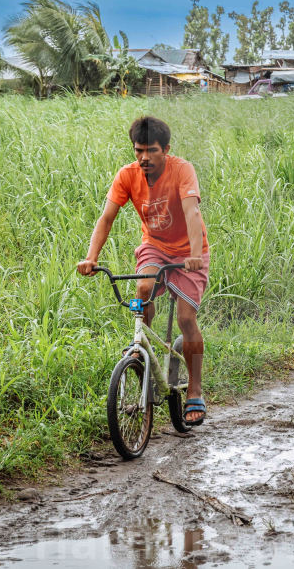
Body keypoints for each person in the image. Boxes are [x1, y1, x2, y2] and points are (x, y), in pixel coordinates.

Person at [77, 116, 211, 426]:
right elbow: (106, 217)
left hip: (191, 251)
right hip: (155, 246)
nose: (144, 157)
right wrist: (90, 257)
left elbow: (192, 212)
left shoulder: (182, 170)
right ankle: (142, 346)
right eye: (139, 150)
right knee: (143, 288)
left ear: (166, 149)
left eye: (151, 150)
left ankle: (195, 389)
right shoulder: (127, 175)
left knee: (185, 318)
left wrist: (193, 254)